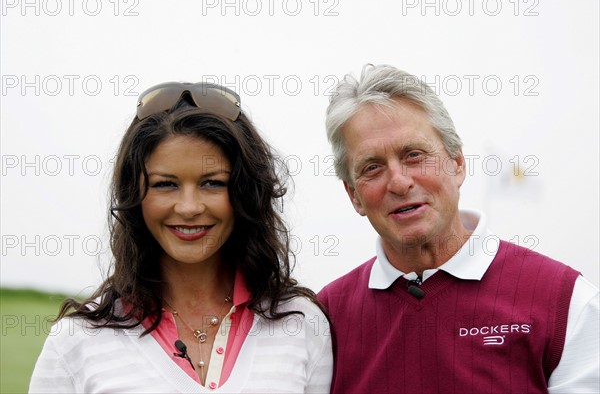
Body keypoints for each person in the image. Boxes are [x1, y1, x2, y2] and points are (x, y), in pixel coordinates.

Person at [29, 82, 333, 393]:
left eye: (212, 183)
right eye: (165, 185)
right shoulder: (75, 343)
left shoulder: (303, 325)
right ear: (135, 196)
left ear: (245, 193)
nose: (189, 207)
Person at [317, 64, 599, 394]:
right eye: (372, 167)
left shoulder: (567, 304)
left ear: (457, 163)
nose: (399, 182)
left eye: (414, 155)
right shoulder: (324, 319)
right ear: (354, 195)